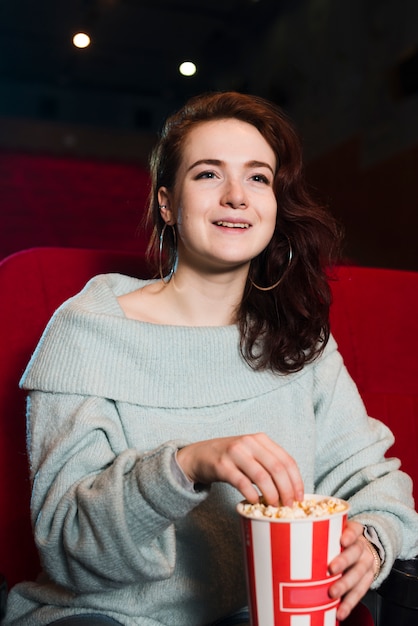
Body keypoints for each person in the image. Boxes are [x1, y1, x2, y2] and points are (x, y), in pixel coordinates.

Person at [4, 91, 418, 626]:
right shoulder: (89, 330)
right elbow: (70, 548)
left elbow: (374, 482)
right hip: (104, 615)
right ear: (166, 203)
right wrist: (186, 464)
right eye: (207, 175)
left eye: (257, 177)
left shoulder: (298, 338)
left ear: (274, 204)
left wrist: (372, 539)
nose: (236, 197)